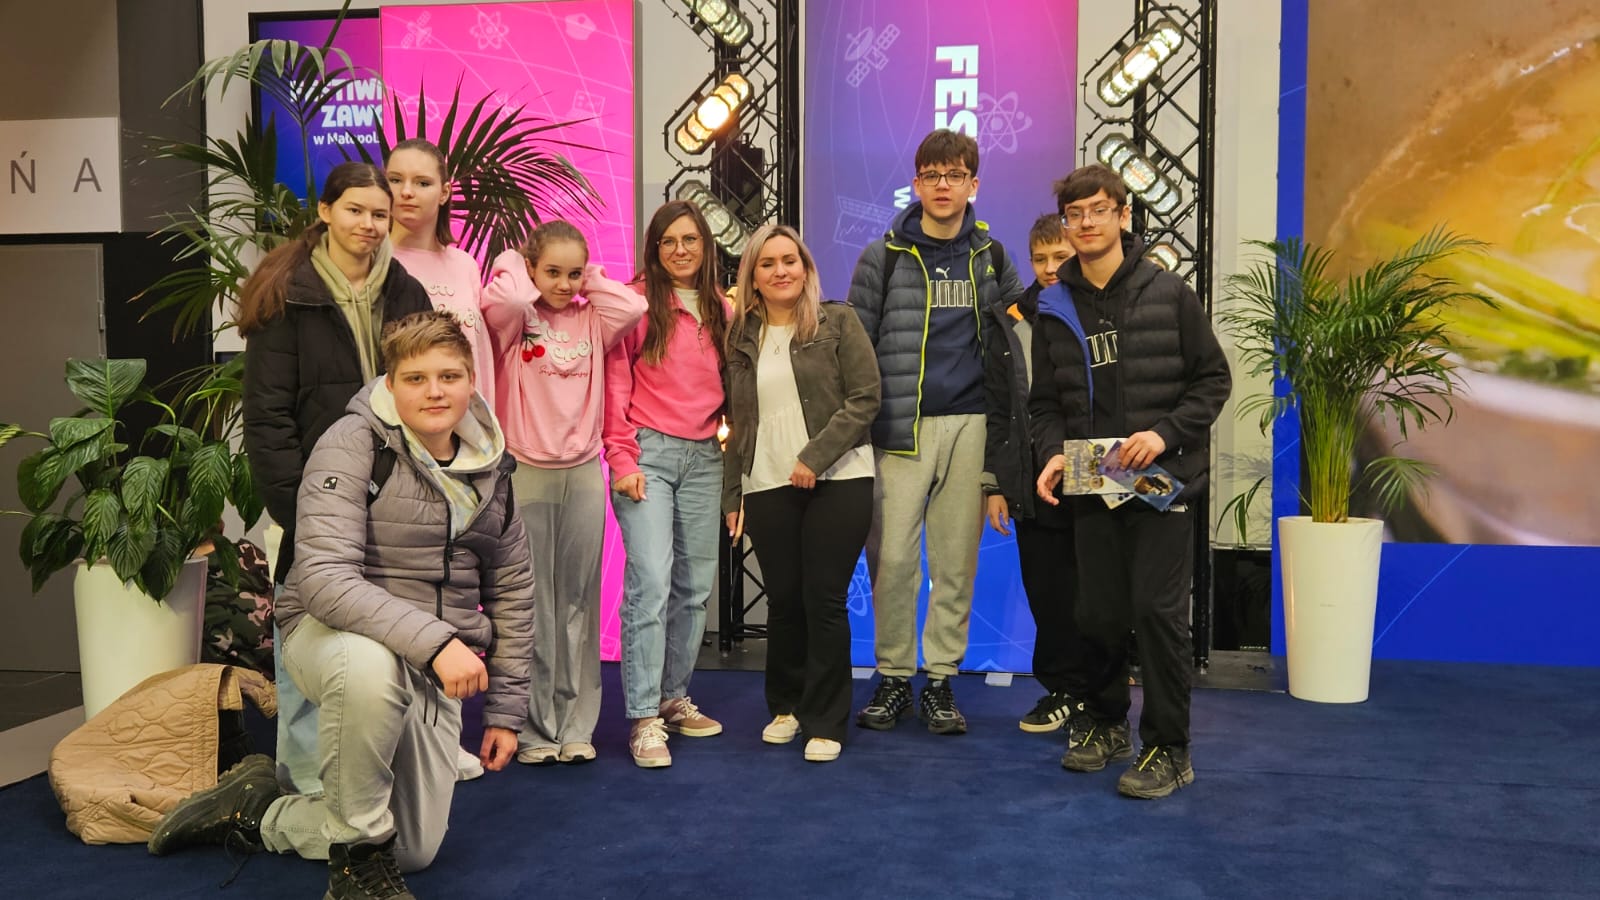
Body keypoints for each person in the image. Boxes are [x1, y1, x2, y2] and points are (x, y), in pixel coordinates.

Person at [151, 311, 536, 899]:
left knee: (413, 850)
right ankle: (357, 869)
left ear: (471, 380)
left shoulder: (491, 464)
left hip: (430, 657)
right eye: (416, 378)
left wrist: (507, 709)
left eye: (449, 376)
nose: (434, 391)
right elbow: (325, 580)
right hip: (331, 634)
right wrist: (437, 644)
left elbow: (512, 589)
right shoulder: (352, 443)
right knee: (369, 665)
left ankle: (258, 810)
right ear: (390, 382)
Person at [1030, 164, 1231, 799]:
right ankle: (1106, 721)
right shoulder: (1053, 305)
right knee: (1097, 612)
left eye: (1098, 210)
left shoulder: (1169, 293)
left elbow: (1213, 380)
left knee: (1157, 612)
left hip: (1160, 480)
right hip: (1092, 479)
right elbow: (1044, 404)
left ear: (1123, 215)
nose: (1086, 222)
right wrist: (1052, 454)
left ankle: (1170, 748)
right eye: (1075, 214)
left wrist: (1164, 434)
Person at [239, 161, 432, 798]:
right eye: (355, 210)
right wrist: (302, 511)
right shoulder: (286, 295)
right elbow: (267, 419)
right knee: (309, 640)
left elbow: (426, 394)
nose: (369, 224)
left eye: (379, 213)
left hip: (395, 499)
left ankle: (381, 784)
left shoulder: (406, 291)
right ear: (324, 212)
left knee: (390, 641)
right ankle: (304, 787)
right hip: (313, 501)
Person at [848, 128, 1024, 735]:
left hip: (972, 422)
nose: (942, 185)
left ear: (973, 184)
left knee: (956, 561)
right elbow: (856, 349)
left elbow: (1014, 344)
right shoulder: (883, 257)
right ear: (915, 183)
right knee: (893, 559)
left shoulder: (993, 256)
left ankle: (942, 680)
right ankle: (895, 677)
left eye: (954, 175)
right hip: (899, 426)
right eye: (931, 175)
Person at [482, 220, 647, 766]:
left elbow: (633, 307)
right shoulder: (516, 317)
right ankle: (534, 728)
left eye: (573, 273)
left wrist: (588, 277)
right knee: (533, 603)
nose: (563, 283)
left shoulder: (593, 317)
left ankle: (576, 724)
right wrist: (519, 264)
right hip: (525, 470)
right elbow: (505, 297)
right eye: (551, 271)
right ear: (530, 267)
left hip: (582, 473)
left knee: (579, 600)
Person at [722, 224, 880, 763]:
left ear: (806, 267)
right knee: (785, 601)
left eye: (789, 260)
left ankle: (826, 720)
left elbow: (865, 398)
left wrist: (815, 457)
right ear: (753, 277)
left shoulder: (839, 321)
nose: (780, 271)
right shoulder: (740, 337)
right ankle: (786, 706)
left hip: (841, 478)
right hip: (765, 481)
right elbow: (737, 422)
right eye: (767, 264)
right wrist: (732, 495)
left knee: (824, 599)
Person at [602, 200, 730, 767]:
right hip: (646, 454)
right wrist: (622, 458)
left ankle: (673, 697)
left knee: (694, 587)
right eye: (668, 241)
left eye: (690, 239)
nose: (680, 250)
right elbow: (614, 386)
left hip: (705, 457)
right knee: (650, 583)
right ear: (654, 249)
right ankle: (643, 717)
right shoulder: (635, 305)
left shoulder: (723, 309)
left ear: (706, 246)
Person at [980, 213, 1099, 734]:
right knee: (1047, 592)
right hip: (1033, 476)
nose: (1050, 268)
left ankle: (1099, 697)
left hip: (1097, 468)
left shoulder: (1102, 308)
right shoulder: (1009, 319)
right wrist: (995, 484)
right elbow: (997, 407)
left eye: (1061, 256)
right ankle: (1062, 691)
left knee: (1095, 591)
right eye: (1040, 258)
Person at [386, 139, 496, 405]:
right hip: (403, 419)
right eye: (395, 180)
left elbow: (480, 354)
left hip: (471, 419)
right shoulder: (374, 262)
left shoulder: (465, 264)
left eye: (422, 183)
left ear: (444, 192)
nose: (407, 192)